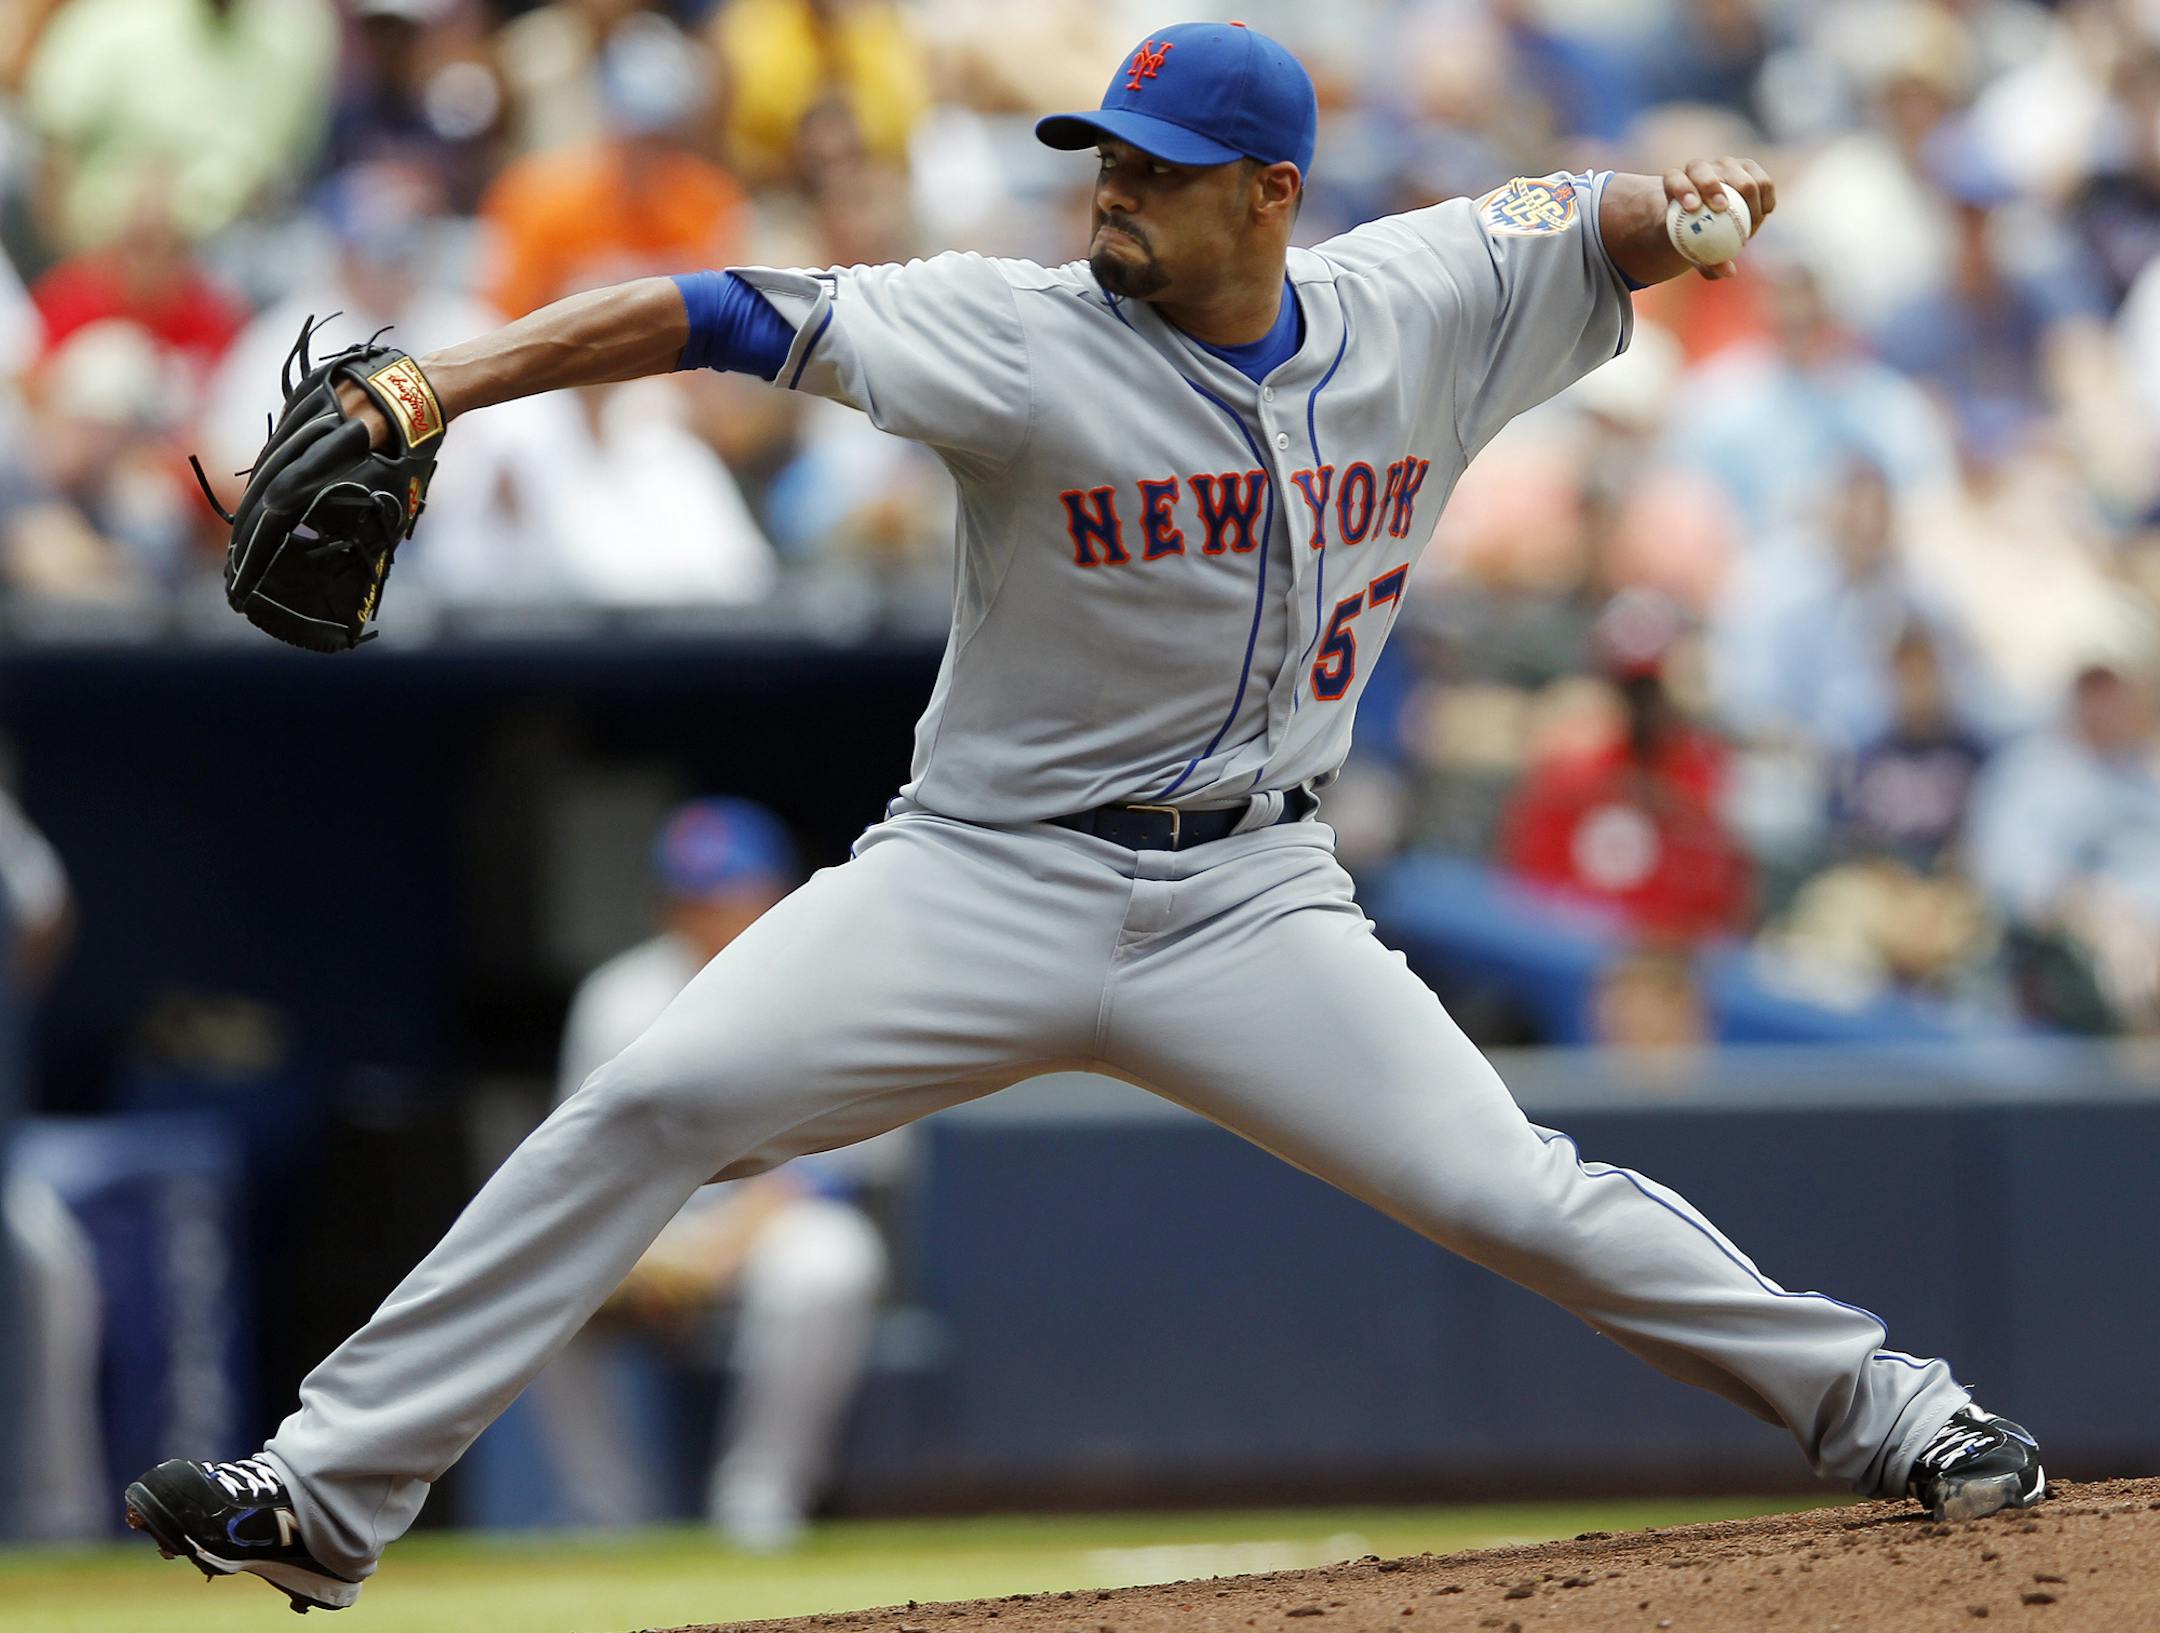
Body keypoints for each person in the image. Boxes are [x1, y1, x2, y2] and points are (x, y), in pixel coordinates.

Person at [122, 22, 2044, 1614]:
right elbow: (710, 309)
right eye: (1098, 153)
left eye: (1152, 163)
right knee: (643, 1106)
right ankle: (325, 1489)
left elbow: (1602, 219)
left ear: (1271, 193)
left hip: (1257, 903)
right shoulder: (1014, 329)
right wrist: (444, 380)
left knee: (1509, 1189)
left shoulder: (1422, 299)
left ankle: (1895, 1406)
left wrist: (1687, 199)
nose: (1107, 186)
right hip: (981, 875)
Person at [528, 799, 890, 1552]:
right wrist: (651, 1253)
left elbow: (853, 1157)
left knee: (832, 1259)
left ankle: (760, 1497)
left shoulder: (828, 979)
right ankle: (604, 1514)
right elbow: (583, 1155)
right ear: (668, 904)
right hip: (647, 1225)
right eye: (694, 896)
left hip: (770, 1218)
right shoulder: (618, 995)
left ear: (775, 893)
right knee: (542, 1278)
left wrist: (725, 1246)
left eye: (728, 893)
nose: (711, 912)